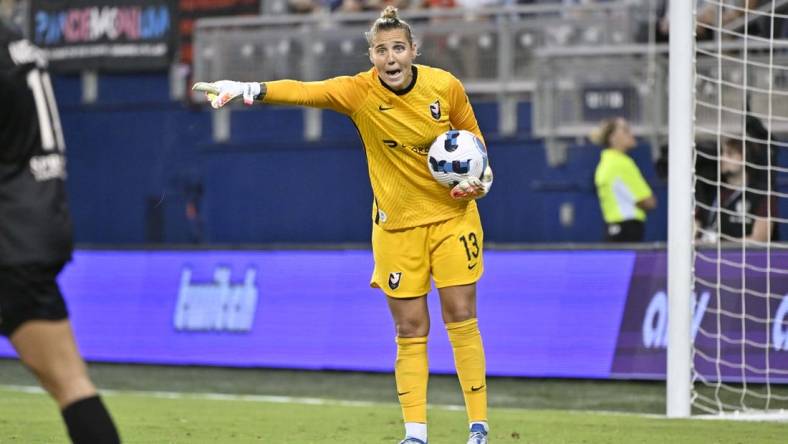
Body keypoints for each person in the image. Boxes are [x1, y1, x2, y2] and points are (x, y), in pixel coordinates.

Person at [194, 6, 493, 444]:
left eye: (397, 48)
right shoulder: (359, 92)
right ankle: (415, 434)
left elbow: (476, 144)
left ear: (413, 50)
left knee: (461, 316)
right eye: (380, 50)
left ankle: (478, 427)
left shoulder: (444, 87)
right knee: (410, 329)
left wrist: (478, 183)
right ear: (371, 56)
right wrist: (249, 88)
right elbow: (304, 91)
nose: (390, 58)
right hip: (396, 229)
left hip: (452, 220)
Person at [0, 15, 121, 444]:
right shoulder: (16, 42)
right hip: (35, 225)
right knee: (72, 385)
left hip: (10, 232)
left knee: (70, 385)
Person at [695, 137, 776, 243]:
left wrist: (721, 247)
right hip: (706, 254)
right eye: (722, 153)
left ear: (745, 158)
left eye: (730, 154)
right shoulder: (710, 189)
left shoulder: (761, 193)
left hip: (740, 257)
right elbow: (694, 227)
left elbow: (760, 238)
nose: (722, 158)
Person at [591, 117, 656, 242]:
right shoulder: (620, 164)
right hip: (627, 231)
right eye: (625, 131)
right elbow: (649, 202)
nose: (631, 135)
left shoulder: (604, 163)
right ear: (612, 137)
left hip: (613, 230)